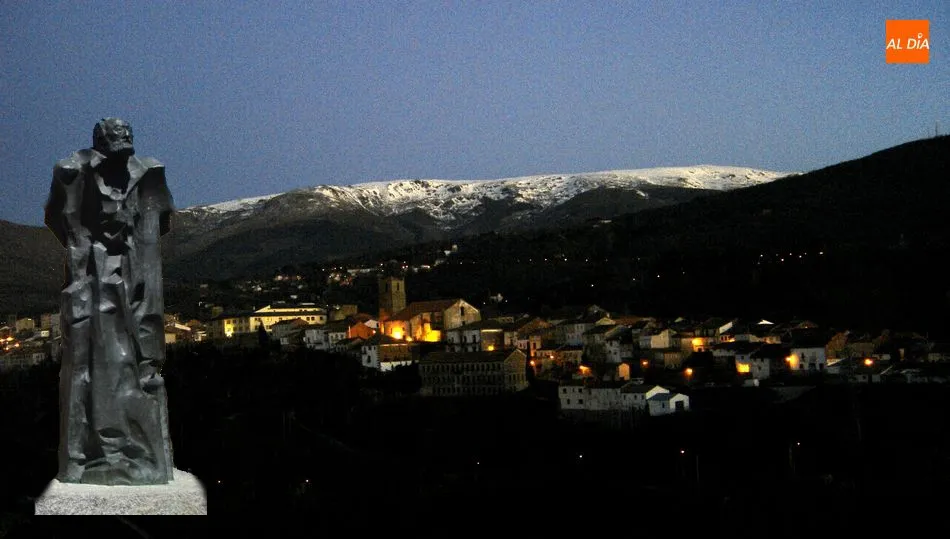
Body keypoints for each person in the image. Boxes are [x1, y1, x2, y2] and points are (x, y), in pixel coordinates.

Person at [45, 118, 174, 485]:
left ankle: (128, 451)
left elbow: (157, 223)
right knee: (96, 367)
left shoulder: (148, 175)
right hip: (94, 280)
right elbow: (59, 218)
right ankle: (96, 454)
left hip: (131, 279)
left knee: (129, 368)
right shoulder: (72, 171)